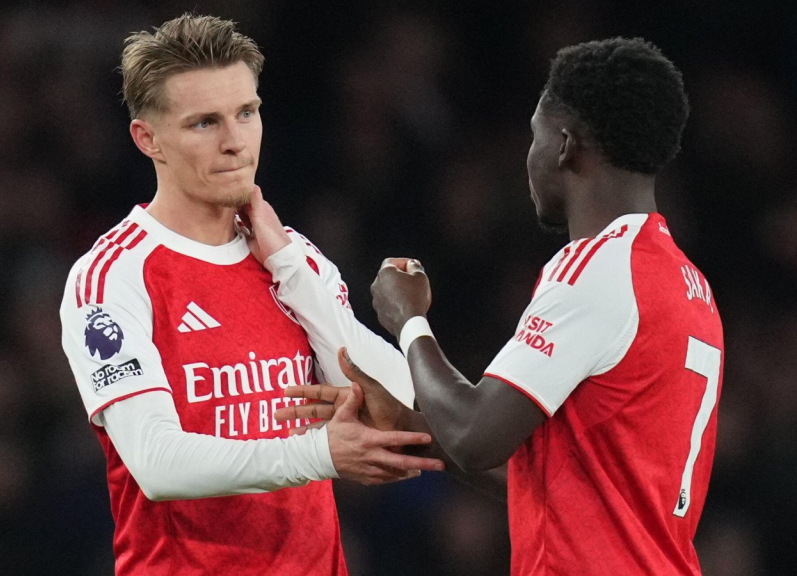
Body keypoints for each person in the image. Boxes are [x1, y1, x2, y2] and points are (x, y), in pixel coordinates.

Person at [270, 38, 724, 575]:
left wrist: (409, 321)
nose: (528, 159)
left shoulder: (598, 270)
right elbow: (536, 479)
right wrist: (405, 425)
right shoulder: (688, 285)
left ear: (564, 145)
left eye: (535, 136)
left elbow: (473, 436)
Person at [58, 14, 443, 576]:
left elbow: (400, 405)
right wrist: (318, 454)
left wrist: (291, 268)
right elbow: (157, 462)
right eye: (204, 123)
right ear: (148, 139)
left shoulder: (292, 258)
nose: (235, 142)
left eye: (246, 112)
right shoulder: (112, 276)